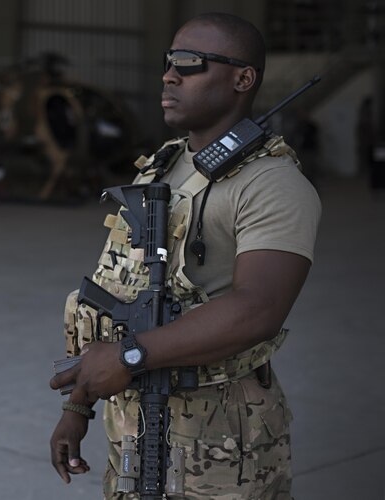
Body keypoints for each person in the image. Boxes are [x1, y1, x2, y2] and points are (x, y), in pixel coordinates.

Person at [48, 12, 320, 499]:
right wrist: (78, 407)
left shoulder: (273, 185)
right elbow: (117, 289)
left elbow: (258, 308)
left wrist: (130, 356)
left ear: (243, 79)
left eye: (190, 64)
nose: (169, 75)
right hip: (131, 421)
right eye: (169, 62)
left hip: (219, 441)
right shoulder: (163, 165)